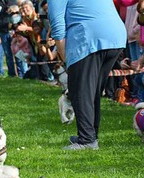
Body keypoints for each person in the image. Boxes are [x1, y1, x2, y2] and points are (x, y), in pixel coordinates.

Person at [49, 0, 126, 150]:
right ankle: (90, 135)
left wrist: (65, 56)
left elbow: (57, 24)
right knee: (93, 92)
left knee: (81, 92)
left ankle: (87, 140)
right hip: (115, 36)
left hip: (89, 36)